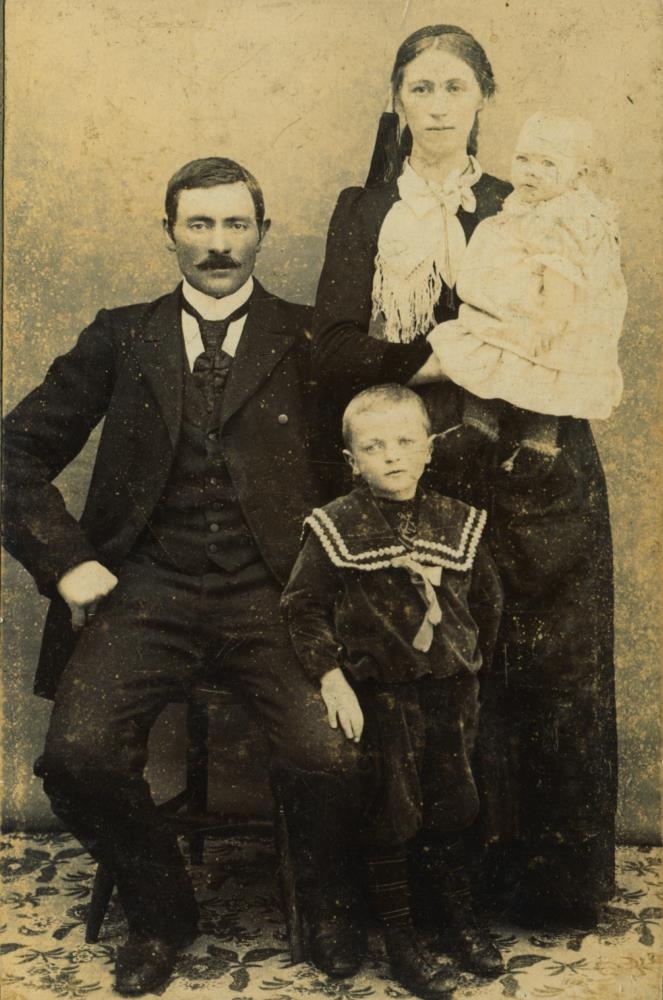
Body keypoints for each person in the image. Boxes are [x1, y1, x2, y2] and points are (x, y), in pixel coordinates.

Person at [2, 157, 366, 996]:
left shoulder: (308, 338)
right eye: (198, 224)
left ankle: (324, 907)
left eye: (236, 224)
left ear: (263, 233)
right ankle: (162, 913)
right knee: (77, 757)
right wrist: (67, 562)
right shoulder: (121, 335)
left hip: (273, 595)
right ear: (168, 232)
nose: (218, 244)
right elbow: (11, 453)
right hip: (146, 594)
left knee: (330, 753)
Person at [312, 24, 618, 929]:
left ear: (484, 98)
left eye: (455, 87)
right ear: (396, 100)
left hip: (532, 458)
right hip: (421, 463)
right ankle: (440, 893)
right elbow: (334, 352)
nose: (438, 106)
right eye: (420, 88)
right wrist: (447, 361)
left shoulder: (527, 198)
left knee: (545, 665)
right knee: (437, 665)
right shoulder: (365, 210)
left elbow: (578, 313)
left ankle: (545, 886)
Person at [283, 385, 505, 999]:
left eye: (406, 442)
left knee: (456, 804)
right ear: (352, 460)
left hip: (451, 696)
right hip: (383, 699)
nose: (392, 456)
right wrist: (331, 675)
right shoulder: (336, 526)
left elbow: (487, 604)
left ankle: (457, 921)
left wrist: (470, 666)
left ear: (430, 449)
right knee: (393, 813)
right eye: (374, 446)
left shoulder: (458, 522)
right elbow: (301, 607)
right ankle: (401, 939)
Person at [428, 111, 627, 469]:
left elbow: (562, 271)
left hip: (545, 314)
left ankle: (538, 444)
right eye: (523, 159)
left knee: (544, 378)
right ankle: (479, 425)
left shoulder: (565, 215)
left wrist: (551, 322)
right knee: (487, 356)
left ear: (577, 176)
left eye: (548, 163)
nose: (532, 171)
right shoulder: (529, 202)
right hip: (513, 306)